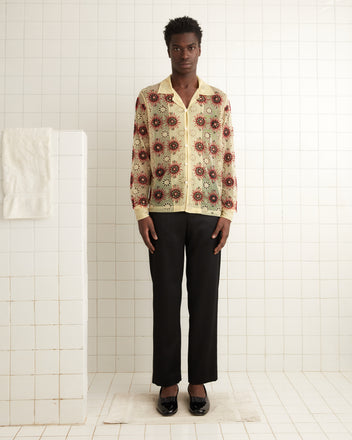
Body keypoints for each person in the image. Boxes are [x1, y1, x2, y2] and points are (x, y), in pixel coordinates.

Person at [130, 16, 237, 416]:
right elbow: (140, 156)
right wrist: (141, 210)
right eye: (177, 47)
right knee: (166, 297)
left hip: (209, 212)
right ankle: (168, 383)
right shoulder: (149, 99)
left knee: (205, 300)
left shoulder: (217, 100)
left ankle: (198, 382)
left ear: (199, 48)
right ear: (169, 49)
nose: (184, 54)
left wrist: (228, 210)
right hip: (163, 212)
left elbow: (226, 158)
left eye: (191, 47)